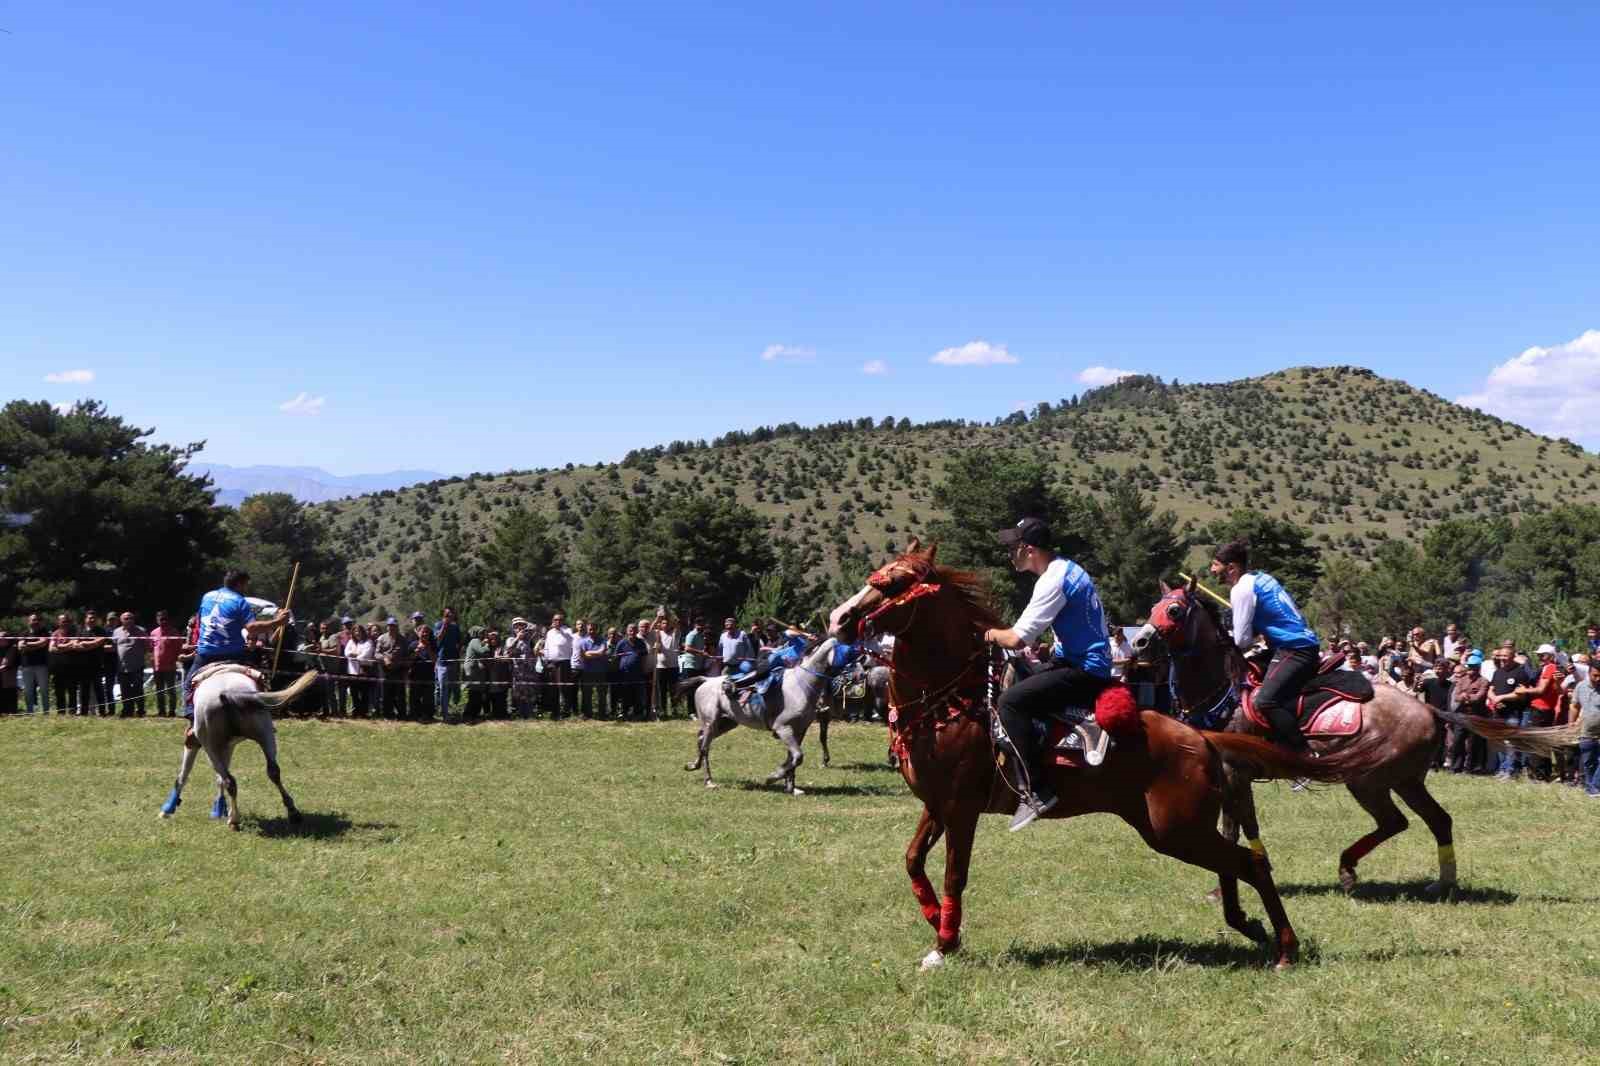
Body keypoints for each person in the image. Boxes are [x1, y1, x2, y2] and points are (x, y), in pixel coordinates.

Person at [982, 517, 1115, 832]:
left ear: (1028, 549)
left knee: (1011, 703)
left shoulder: (1052, 580)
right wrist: (1049, 652)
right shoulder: (1065, 569)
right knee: (1018, 676)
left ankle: (1037, 791)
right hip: (1081, 662)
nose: (1009, 553)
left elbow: (1015, 639)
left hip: (1086, 671)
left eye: (1013, 547)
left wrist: (986, 634)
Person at [1209, 539, 1320, 753]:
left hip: (1294, 650)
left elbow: (1241, 641)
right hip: (1296, 645)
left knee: (1265, 701)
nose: (1213, 570)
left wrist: (1228, 633)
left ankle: (1303, 753)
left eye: (1216, 564)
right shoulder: (1261, 578)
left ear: (1231, 567)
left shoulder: (1241, 589)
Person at [183, 570, 293, 717]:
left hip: (206, 654)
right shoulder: (240, 601)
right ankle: (264, 717)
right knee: (259, 681)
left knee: (188, 684)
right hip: (234, 654)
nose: (246, 588)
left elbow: (203, 620)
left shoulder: (207, 597)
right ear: (240, 583)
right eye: (245, 585)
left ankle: (191, 719)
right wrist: (278, 622)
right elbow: (251, 627)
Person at [112, 611, 149, 717]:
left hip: (137, 666)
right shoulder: (116, 632)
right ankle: (127, 710)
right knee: (125, 690)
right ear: (121, 620)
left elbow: (147, 646)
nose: (128, 620)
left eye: (131, 618)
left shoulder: (141, 631)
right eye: (126, 618)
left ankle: (141, 711)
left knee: (138, 689)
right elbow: (114, 647)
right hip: (122, 666)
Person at [150, 610, 184, 717]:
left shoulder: (174, 632)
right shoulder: (153, 633)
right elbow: (151, 649)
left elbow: (179, 648)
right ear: (157, 620)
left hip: (170, 666)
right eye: (160, 619)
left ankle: (172, 711)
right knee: (159, 691)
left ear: (168, 619)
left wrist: (174, 660)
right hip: (157, 667)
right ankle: (161, 711)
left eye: (164, 618)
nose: (162, 621)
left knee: (171, 691)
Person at [542, 612, 576, 718]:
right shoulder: (550, 633)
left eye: (560, 620)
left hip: (564, 663)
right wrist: (545, 658)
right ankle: (554, 712)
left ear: (563, 621)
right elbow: (547, 647)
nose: (557, 622)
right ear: (552, 621)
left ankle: (565, 712)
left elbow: (571, 640)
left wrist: (560, 629)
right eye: (555, 620)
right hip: (551, 663)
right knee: (553, 688)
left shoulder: (568, 631)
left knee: (564, 688)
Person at [1573, 665, 1600, 797]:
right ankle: (1591, 788)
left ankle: (1595, 786)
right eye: (1595, 675)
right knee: (1589, 762)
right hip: (1586, 731)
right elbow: (1574, 705)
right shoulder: (1581, 686)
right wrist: (1571, 724)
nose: (1598, 678)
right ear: (1588, 673)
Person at [377, 618, 411, 719]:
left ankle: (402, 715)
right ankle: (387, 715)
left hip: (399, 670)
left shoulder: (403, 639)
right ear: (387, 627)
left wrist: (402, 663)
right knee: (386, 694)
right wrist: (385, 658)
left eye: (394, 626)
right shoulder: (381, 638)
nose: (391, 628)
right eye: (390, 626)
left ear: (397, 627)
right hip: (385, 670)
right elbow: (376, 653)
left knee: (400, 694)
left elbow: (407, 655)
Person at [18, 613, 52, 715]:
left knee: (44, 690)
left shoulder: (44, 632)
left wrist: (27, 645)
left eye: (37, 620)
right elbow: (20, 647)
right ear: (29, 622)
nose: (35, 622)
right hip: (26, 666)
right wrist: (35, 645)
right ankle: (30, 712)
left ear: (40, 622)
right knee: (28, 691)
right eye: (33, 620)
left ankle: (46, 712)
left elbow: (43, 643)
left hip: (42, 665)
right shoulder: (23, 633)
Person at [434, 607, 463, 717]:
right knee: (442, 688)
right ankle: (444, 712)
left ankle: (452, 710)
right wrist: (444, 627)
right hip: (442, 662)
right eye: (447, 615)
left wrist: (458, 654)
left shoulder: (455, 627)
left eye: (451, 615)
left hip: (454, 661)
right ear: (443, 616)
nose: (450, 617)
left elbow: (460, 642)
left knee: (453, 687)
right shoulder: (438, 625)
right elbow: (438, 639)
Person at [344, 623, 376, 717]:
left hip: (364, 671)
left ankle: (364, 712)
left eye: (359, 631)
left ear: (363, 632)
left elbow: (364, 656)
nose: (357, 633)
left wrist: (354, 655)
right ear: (352, 632)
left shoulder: (368, 642)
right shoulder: (350, 642)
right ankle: (356, 711)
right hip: (352, 671)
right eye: (355, 631)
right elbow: (346, 653)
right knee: (354, 693)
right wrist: (357, 654)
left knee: (364, 693)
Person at [409, 621, 437, 721]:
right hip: (415, 675)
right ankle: (415, 715)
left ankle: (428, 715)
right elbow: (409, 660)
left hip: (429, 675)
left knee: (428, 697)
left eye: (427, 632)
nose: (425, 634)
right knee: (415, 697)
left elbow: (434, 660)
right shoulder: (413, 644)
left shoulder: (433, 644)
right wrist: (417, 650)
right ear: (418, 632)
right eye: (423, 632)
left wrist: (428, 648)